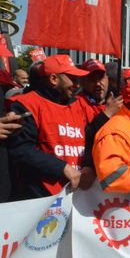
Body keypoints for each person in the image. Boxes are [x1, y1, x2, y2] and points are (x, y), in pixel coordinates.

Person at [8, 54, 93, 200]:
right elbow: (20, 150)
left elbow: (89, 139)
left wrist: (89, 165)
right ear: (54, 79)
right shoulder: (26, 105)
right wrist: (62, 168)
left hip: (78, 193)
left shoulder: (78, 104)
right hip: (42, 197)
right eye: (72, 78)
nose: (77, 84)